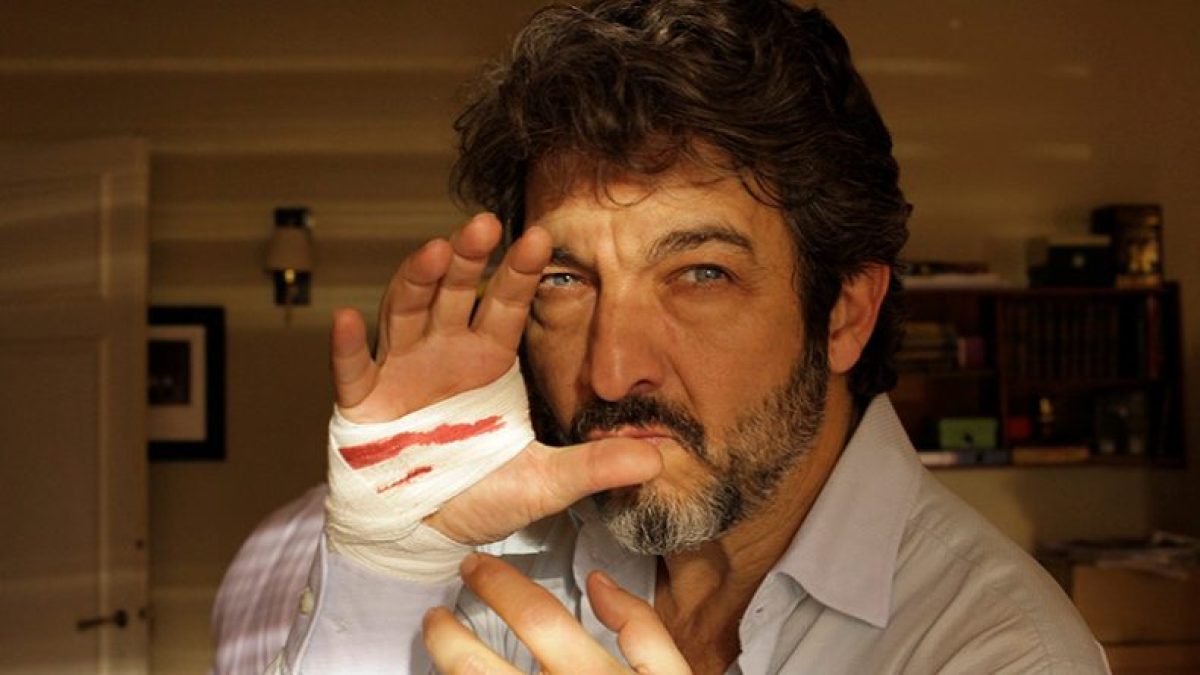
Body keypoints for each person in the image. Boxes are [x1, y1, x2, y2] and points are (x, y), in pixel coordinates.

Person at [213, 1, 1111, 673]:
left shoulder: (998, 651)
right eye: (566, 279)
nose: (612, 372)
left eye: (701, 274)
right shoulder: (485, 555)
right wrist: (386, 570)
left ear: (843, 312)